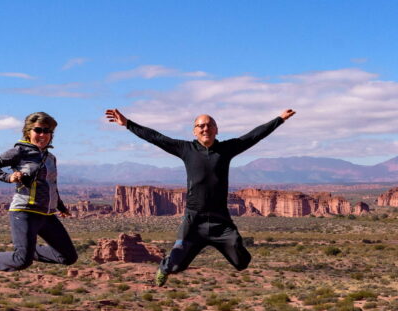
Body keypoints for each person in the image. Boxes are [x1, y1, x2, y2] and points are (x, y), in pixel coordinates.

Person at [104, 107, 295, 286]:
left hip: (221, 221)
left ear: (216, 130)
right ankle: (164, 267)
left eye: (210, 125)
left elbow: (254, 136)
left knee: (242, 262)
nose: (205, 128)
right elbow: (156, 137)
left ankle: (221, 249)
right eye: (201, 126)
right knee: (176, 266)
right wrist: (128, 123)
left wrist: (279, 119)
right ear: (194, 131)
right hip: (193, 221)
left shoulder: (227, 149)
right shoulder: (186, 149)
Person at [0, 112, 77, 280]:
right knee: (22, 261)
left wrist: (61, 207)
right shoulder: (20, 151)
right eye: (38, 130)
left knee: (68, 256)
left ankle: (27, 251)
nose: (43, 134)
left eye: (47, 131)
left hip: (47, 215)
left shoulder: (50, 158)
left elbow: (52, 185)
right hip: (25, 212)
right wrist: (8, 177)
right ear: (28, 132)